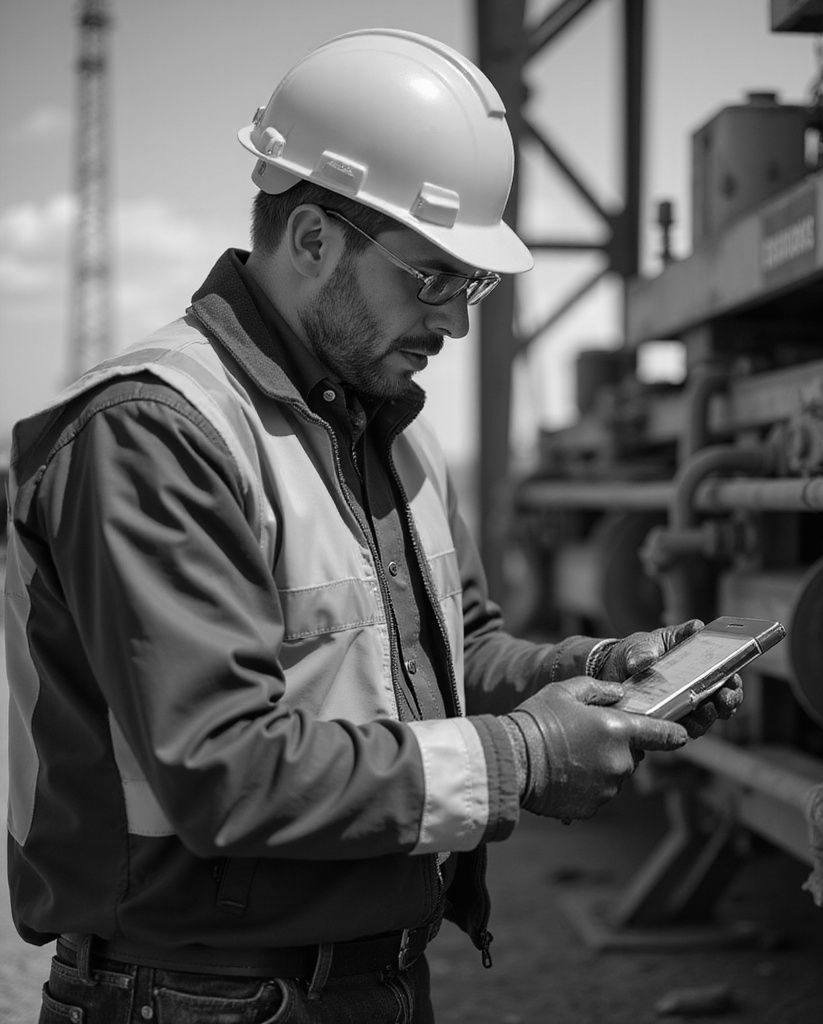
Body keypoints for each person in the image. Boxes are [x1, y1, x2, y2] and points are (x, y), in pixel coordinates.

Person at [4, 29, 741, 1024]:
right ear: (311, 240)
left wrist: (595, 673)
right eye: (435, 277)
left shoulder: (381, 427)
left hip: (368, 980)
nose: (459, 322)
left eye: (472, 285)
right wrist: (521, 756)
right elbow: (227, 773)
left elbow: (454, 652)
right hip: (191, 996)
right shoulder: (154, 435)